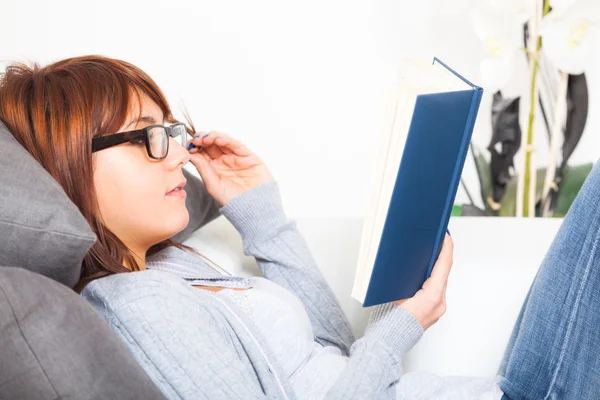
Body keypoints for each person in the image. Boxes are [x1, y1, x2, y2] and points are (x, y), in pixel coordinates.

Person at [0, 54, 597, 400]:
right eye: (149, 136)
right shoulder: (129, 303)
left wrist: (261, 212)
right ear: (69, 162)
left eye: (175, 133)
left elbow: (328, 355)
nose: (180, 155)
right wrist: (402, 326)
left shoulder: (172, 263)